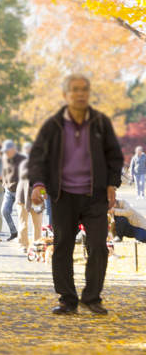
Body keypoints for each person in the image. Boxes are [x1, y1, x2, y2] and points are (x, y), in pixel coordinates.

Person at [29, 73, 123, 315]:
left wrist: (112, 184)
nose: (80, 93)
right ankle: (67, 300)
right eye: (74, 90)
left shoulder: (101, 123)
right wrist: (38, 184)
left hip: (96, 196)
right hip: (63, 196)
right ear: (65, 95)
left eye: (84, 89)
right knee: (62, 246)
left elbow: (114, 156)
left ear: (88, 94)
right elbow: (39, 158)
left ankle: (92, 297)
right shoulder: (53, 125)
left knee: (98, 246)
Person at [1, 140, 25, 241]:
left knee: (22, 215)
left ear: (13, 149)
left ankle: (23, 236)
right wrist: (4, 182)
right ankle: (14, 232)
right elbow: (3, 170)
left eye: (7, 150)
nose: (6, 152)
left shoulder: (22, 159)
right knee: (4, 211)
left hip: (19, 189)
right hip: (8, 189)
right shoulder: (5, 158)